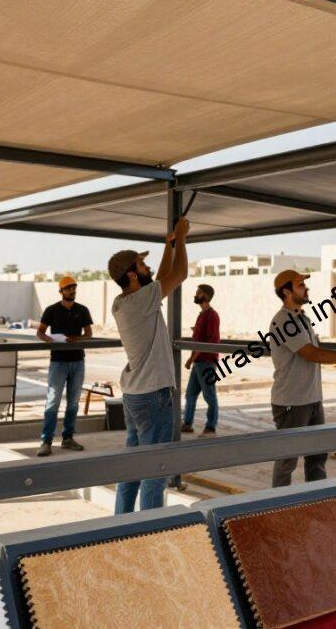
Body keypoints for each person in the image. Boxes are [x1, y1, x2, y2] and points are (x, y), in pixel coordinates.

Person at [107, 217, 189, 513]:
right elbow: (179, 273)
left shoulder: (124, 301)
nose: (147, 268)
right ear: (131, 275)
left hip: (135, 395)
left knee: (132, 469)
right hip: (155, 395)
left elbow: (163, 275)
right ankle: (148, 532)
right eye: (141, 265)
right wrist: (183, 238)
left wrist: (171, 244)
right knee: (155, 472)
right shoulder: (142, 300)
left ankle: (122, 525)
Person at [268, 269, 336, 487]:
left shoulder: (303, 318)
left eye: (305, 284)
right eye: (300, 285)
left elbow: (315, 350)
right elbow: (313, 354)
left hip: (312, 400)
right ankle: (276, 507)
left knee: (316, 458)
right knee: (287, 460)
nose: (306, 288)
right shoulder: (283, 322)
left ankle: (315, 501)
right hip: (291, 403)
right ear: (286, 291)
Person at [34, 276, 92, 457]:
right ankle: (46, 441)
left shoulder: (82, 310)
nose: (72, 290)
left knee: (73, 402)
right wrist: (49, 340)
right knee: (53, 402)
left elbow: (89, 334)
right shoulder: (52, 310)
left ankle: (67, 438)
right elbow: (40, 332)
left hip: (77, 362)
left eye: (74, 287)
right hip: (58, 362)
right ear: (61, 291)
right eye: (68, 288)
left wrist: (78, 338)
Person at [182, 284, 220, 435]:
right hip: (199, 362)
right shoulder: (201, 315)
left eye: (198, 292)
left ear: (206, 296)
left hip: (206, 361)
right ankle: (187, 424)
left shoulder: (211, 315)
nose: (196, 294)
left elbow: (208, 343)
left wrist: (191, 359)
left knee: (209, 395)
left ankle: (211, 426)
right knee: (190, 395)